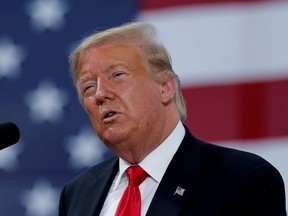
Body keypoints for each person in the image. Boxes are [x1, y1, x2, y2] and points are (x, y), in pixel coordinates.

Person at [59, 22, 286, 216]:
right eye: (88, 87)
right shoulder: (78, 194)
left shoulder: (243, 180)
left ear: (166, 87)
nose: (100, 94)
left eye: (117, 75)